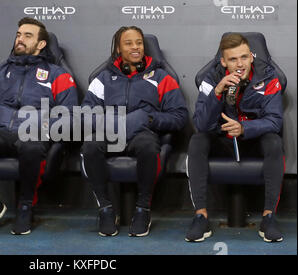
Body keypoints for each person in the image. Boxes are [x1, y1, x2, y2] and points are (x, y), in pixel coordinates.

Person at [0, 17, 78, 235]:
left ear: (41, 44)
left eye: (27, 36)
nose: (20, 39)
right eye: (18, 34)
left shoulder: (58, 75)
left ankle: (25, 206)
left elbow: (68, 117)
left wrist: (42, 129)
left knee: (31, 145)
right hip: (0, 135)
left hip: (33, 135)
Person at [81, 26, 188, 237]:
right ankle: (105, 209)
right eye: (128, 43)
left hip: (143, 133)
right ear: (118, 49)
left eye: (139, 42)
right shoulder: (102, 79)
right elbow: (85, 114)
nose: (135, 47)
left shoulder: (161, 77)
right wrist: (109, 122)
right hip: (110, 132)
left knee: (148, 146)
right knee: (91, 146)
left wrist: (149, 118)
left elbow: (179, 116)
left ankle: (143, 209)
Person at [186, 33, 284, 242]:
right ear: (223, 61)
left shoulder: (269, 77)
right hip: (222, 140)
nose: (240, 64)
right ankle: (200, 216)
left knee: (274, 141)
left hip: (252, 140)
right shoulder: (210, 78)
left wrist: (244, 127)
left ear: (251, 56)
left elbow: (275, 121)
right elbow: (202, 124)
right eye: (233, 59)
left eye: (244, 57)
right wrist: (218, 92)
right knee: (197, 140)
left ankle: (269, 217)